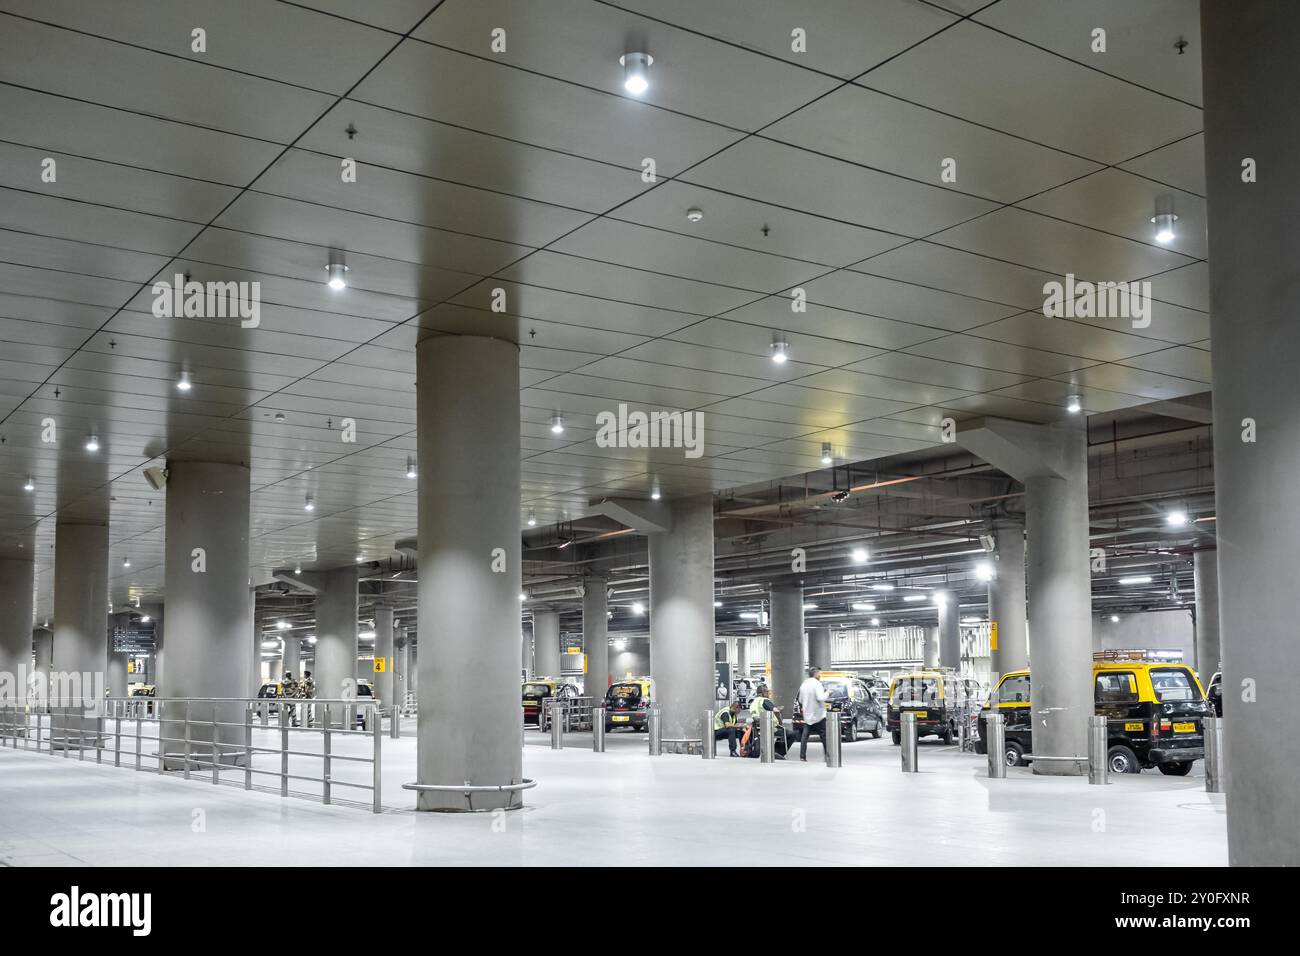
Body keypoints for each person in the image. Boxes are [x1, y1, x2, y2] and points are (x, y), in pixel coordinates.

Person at [797, 666, 830, 762]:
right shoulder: (817, 684)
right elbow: (820, 697)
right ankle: (828, 755)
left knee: (805, 736)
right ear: (816, 673)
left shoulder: (804, 684)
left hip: (807, 715)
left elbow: (800, 699)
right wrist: (828, 693)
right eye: (820, 673)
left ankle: (802, 756)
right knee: (824, 736)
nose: (820, 675)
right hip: (818, 714)